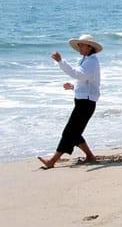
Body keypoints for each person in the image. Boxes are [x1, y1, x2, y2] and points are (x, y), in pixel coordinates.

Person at [37, 35, 102, 169]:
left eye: (81, 45)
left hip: (87, 102)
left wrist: (61, 61)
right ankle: (90, 156)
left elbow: (78, 74)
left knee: (69, 132)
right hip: (82, 101)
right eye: (78, 45)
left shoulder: (92, 61)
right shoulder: (84, 60)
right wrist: (73, 86)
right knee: (74, 132)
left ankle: (52, 161)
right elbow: (83, 80)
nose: (79, 47)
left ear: (89, 47)